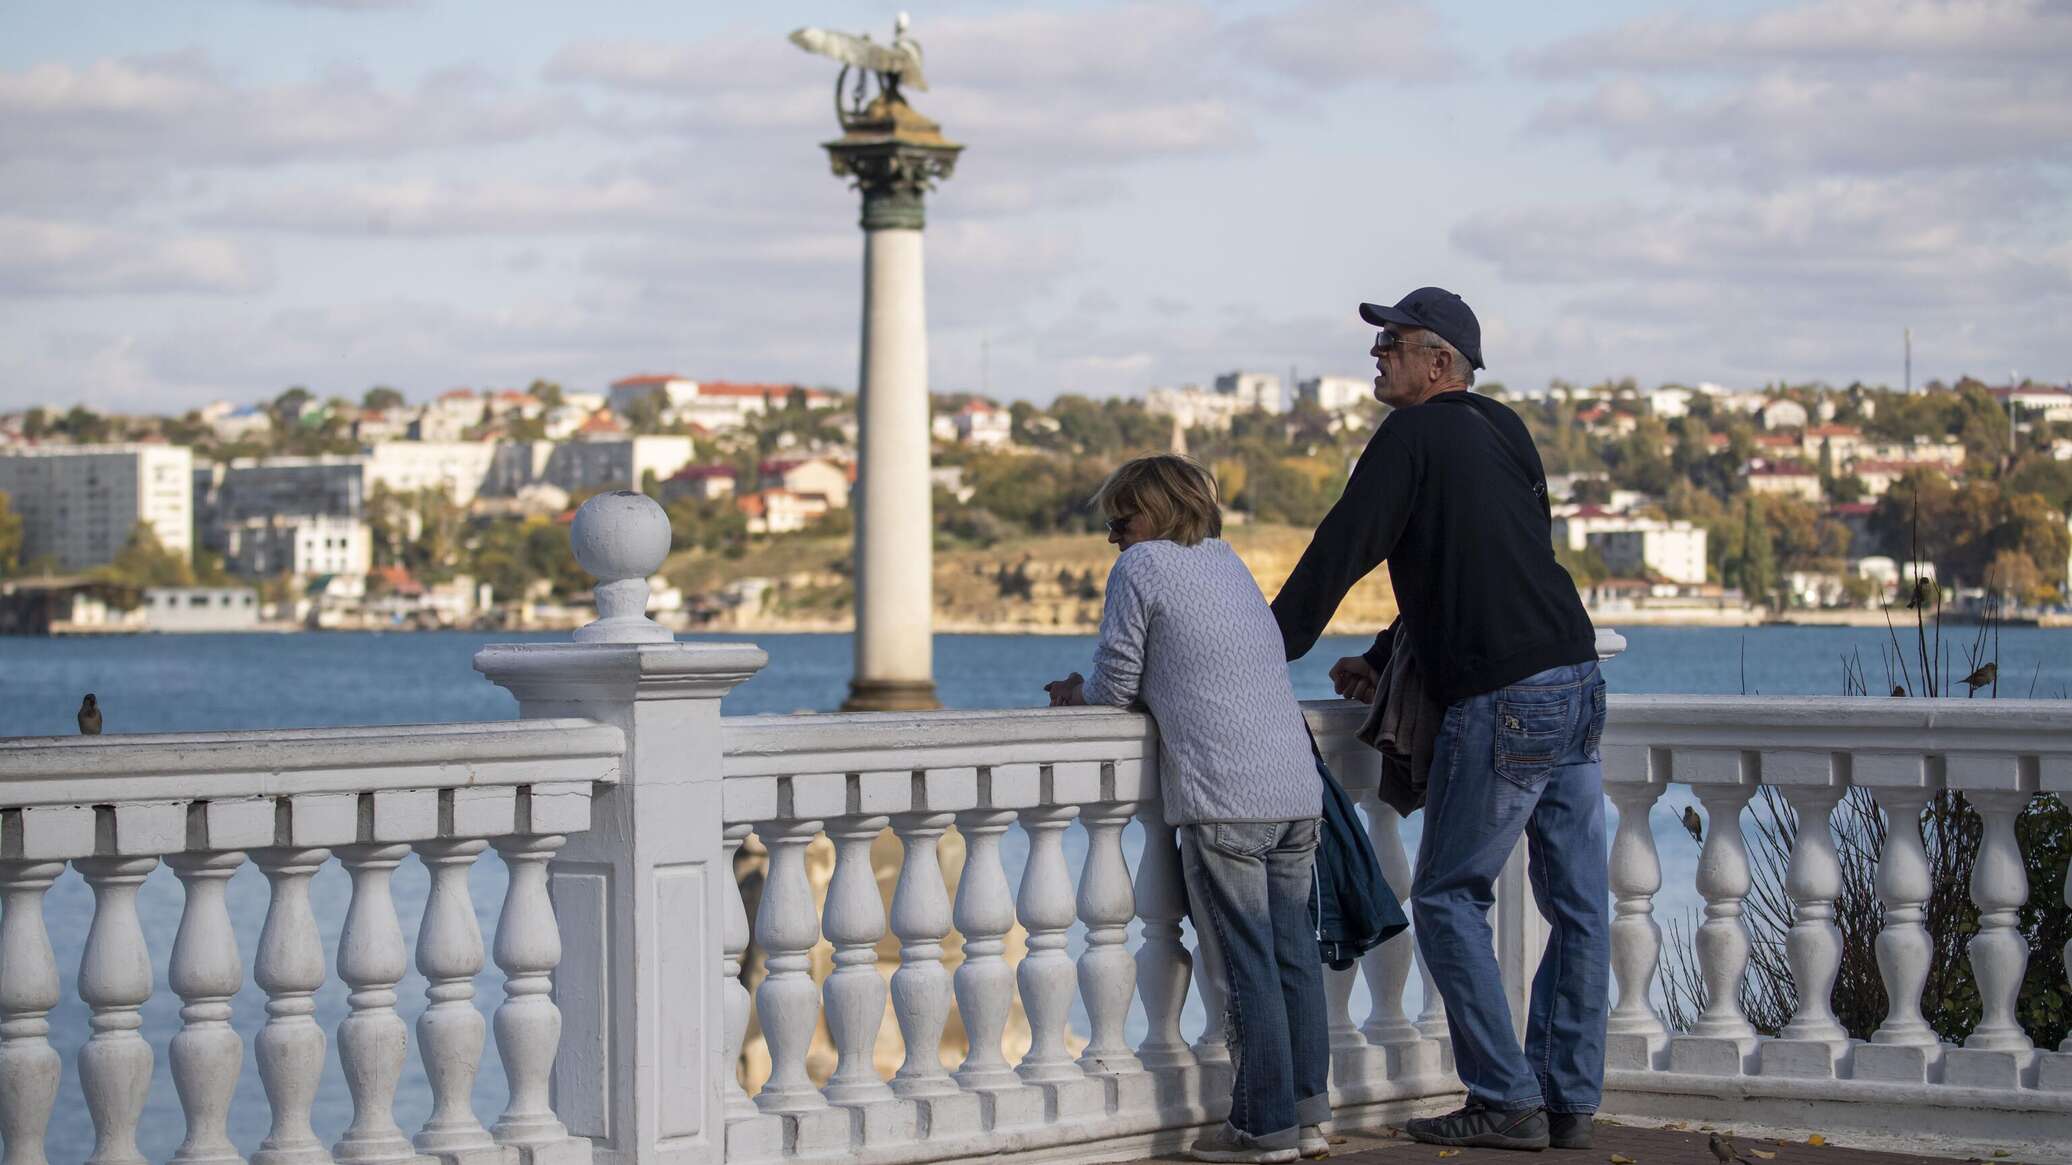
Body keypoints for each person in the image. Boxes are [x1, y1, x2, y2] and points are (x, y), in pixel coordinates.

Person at [1269, 288, 1609, 1153]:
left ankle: (1506, 1096)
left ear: (1439, 362)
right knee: (1577, 903)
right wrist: (1387, 653)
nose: (1376, 354)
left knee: (1447, 896)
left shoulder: (1410, 436)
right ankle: (1567, 1097)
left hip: (1507, 693)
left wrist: (1259, 647)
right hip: (1574, 674)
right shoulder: (1507, 429)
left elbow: (1341, 548)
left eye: (1392, 341)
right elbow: (1492, 561)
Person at [1045, 454, 1330, 1165]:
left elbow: (1118, 680)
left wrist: (1075, 693)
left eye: (1121, 520)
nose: (1113, 536)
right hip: (1295, 790)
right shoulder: (1227, 561)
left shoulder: (1141, 568)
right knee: (1294, 958)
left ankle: (1262, 1128)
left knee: (1246, 967)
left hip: (1225, 797)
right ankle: (1307, 1116)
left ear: (1156, 512)